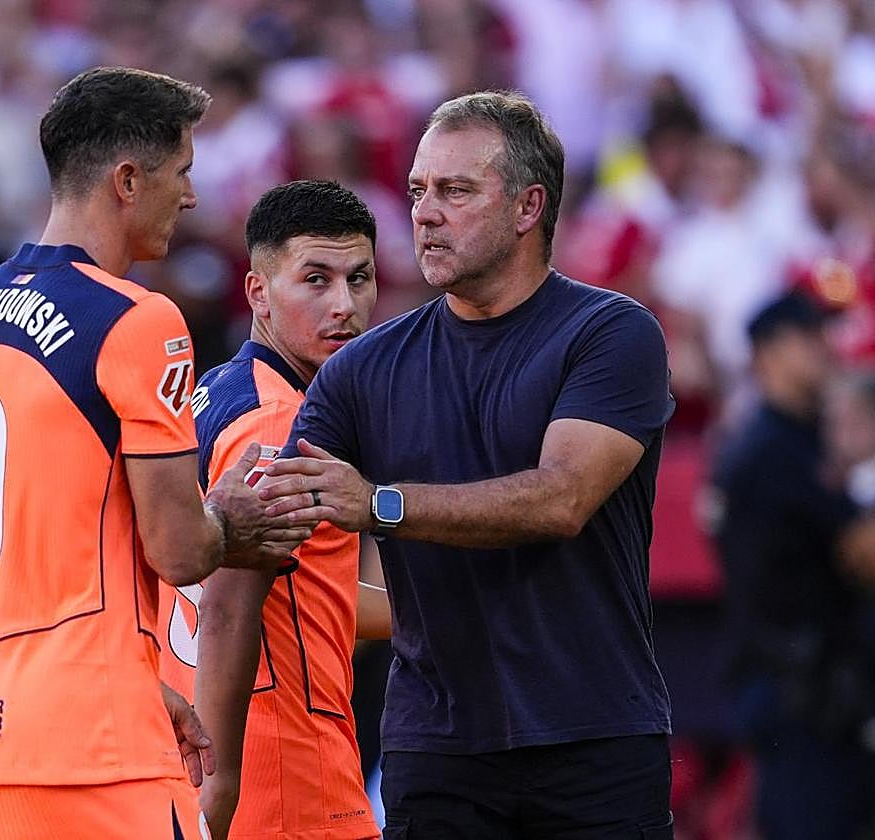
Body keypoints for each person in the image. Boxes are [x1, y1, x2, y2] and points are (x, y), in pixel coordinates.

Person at [0, 66, 311, 840]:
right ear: (128, 180)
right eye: (182, 172)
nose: (190, 197)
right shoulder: (139, 319)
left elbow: (34, 542)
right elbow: (182, 549)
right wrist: (233, 518)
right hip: (88, 753)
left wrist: (142, 683)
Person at [261, 91, 676, 838]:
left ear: (528, 207)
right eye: (418, 190)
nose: (424, 212)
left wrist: (381, 506)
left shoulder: (611, 333)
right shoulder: (362, 369)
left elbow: (561, 500)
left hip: (595, 740)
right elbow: (266, 534)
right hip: (436, 749)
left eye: (455, 190)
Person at [158, 180, 390, 840]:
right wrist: (223, 782)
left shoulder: (211, 396)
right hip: (285, 774)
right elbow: (229, 606)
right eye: (315, 279)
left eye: (359, 278)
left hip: (205, 761)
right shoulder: (283, 421)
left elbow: (311, 595)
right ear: (258, 292)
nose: (344, 305)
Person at [712, 292, 875, 840]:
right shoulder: (772, 449)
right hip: (798, 686)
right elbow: (863, 549)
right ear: (769, 355)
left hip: (818, 682)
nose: (825, 349)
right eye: (808, 338)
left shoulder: (804, 439)